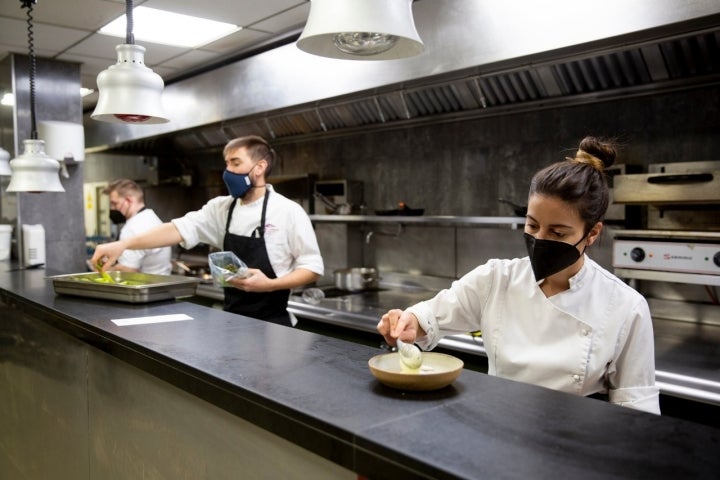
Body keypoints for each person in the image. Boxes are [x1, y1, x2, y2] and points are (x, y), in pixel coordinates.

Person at [377, 136, 660, 414]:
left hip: (574, 446)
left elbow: (637, 411)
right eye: (532, 224)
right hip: (499, 431)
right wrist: (408, 322)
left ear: (593, 233)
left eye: (558, 232)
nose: (540, 238)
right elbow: (430, 316)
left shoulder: (625, 307)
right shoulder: (497, 278)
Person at [92, 135, 323, 326]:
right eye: (226, 163)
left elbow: (311, 267)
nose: (227, 171)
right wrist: (122, 245)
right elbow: (175, 229)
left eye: (235, 163)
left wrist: (269, 285)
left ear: (259, 167)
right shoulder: (221, 208)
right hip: (232, 323)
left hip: (276, 327)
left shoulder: (287, 211)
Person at [101, 179, 172, 275]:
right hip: (162, 283)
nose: (112, 209)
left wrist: (103, 269)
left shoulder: (132, 228)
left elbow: (128, 270)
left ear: (129, 201)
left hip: (147, 286)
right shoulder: (151, 217)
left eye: (115, 203)